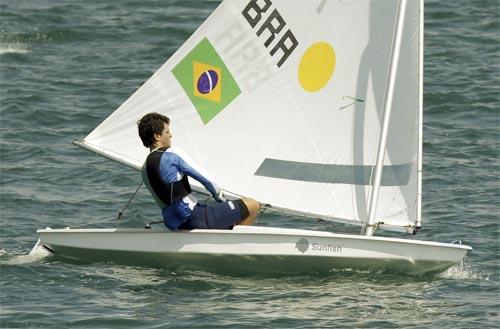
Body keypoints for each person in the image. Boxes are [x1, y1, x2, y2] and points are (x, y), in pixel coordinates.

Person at [137, 112, 260, 230]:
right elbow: (207, 180)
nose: (170, 135)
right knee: (252, 205)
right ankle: (234, 247)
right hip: (192, 216)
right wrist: (221, 198)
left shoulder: (144, 168)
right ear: (157, 136)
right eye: (167, 132)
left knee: (221, 215)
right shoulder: (171, 154)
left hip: (173, 222)